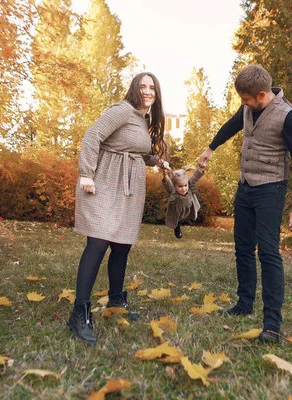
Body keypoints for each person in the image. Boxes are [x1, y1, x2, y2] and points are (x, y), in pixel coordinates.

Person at [198, 65, 292, 343]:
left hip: (271, 189)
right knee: (243, 248)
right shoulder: (248, 108)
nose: (243, 104)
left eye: (247, 99)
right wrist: (210, 148)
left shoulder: (288, 117)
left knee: (269, 252)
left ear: (262, 94)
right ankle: (244, 303)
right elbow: (231, 125)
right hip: (246, 187)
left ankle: (272, 323)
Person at [68, 72, 170, 345]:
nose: (148, 91)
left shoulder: (142, 118)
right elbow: (93, 135)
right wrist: (86, 173)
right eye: (143, 86)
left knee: (122, 245)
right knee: (99, 243)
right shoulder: (122, 110)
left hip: (129, 187)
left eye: (152, 87)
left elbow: (132, 147)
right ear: (134, 88)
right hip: (104, 181)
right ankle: (79, 312)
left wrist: (156, 161)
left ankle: (115, 300)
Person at [161, 165, 205, 239]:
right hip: (177, 211)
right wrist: (165, 174)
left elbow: (195, 178)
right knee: (176, 222)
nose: (184, 189)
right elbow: (167, 182)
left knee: (191, 218)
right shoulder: (173, 191)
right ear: (175, 186)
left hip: (189, 209)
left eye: (185, 185)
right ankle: (177, 229)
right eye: (180, 186)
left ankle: (188, 220)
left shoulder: (190, 187)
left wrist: (200, 168)